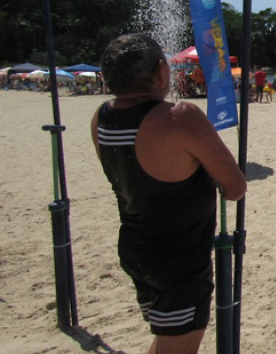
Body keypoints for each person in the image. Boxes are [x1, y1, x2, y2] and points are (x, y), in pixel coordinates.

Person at [90, 34, 246, 354]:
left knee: (166, 339)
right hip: (179, 259)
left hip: (136, 247)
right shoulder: (179, 117)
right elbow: (235, 186)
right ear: (162, 70)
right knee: (178, 346)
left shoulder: (102, 118)